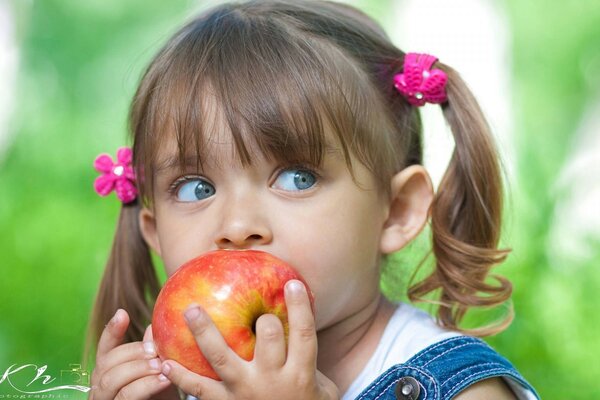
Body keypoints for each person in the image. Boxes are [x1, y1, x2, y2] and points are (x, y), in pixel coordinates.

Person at [85, 1, 539, 399]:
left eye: (298, 178)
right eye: (196, 188)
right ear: (155, 233)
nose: (238, 225)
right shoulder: (184, 380)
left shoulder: (460, 388)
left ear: (397, 211)